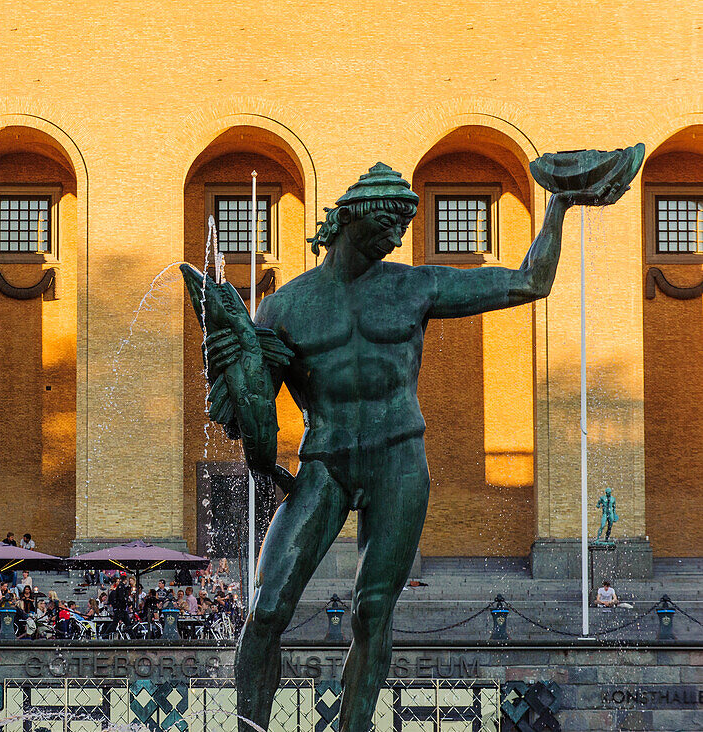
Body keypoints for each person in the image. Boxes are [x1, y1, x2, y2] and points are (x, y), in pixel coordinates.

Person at [218, 163, 608, 732]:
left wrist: (558, 206)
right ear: (348, 218)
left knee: (372, 610)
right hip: (323, 461)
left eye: (405, 223)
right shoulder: (283, 308)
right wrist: (261, 455)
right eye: (388, 221)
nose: (398, 235)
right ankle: (249, 725)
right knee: (267, 608)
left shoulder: (414, 286)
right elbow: (256, 407)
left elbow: (530, 282)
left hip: (399, 456)